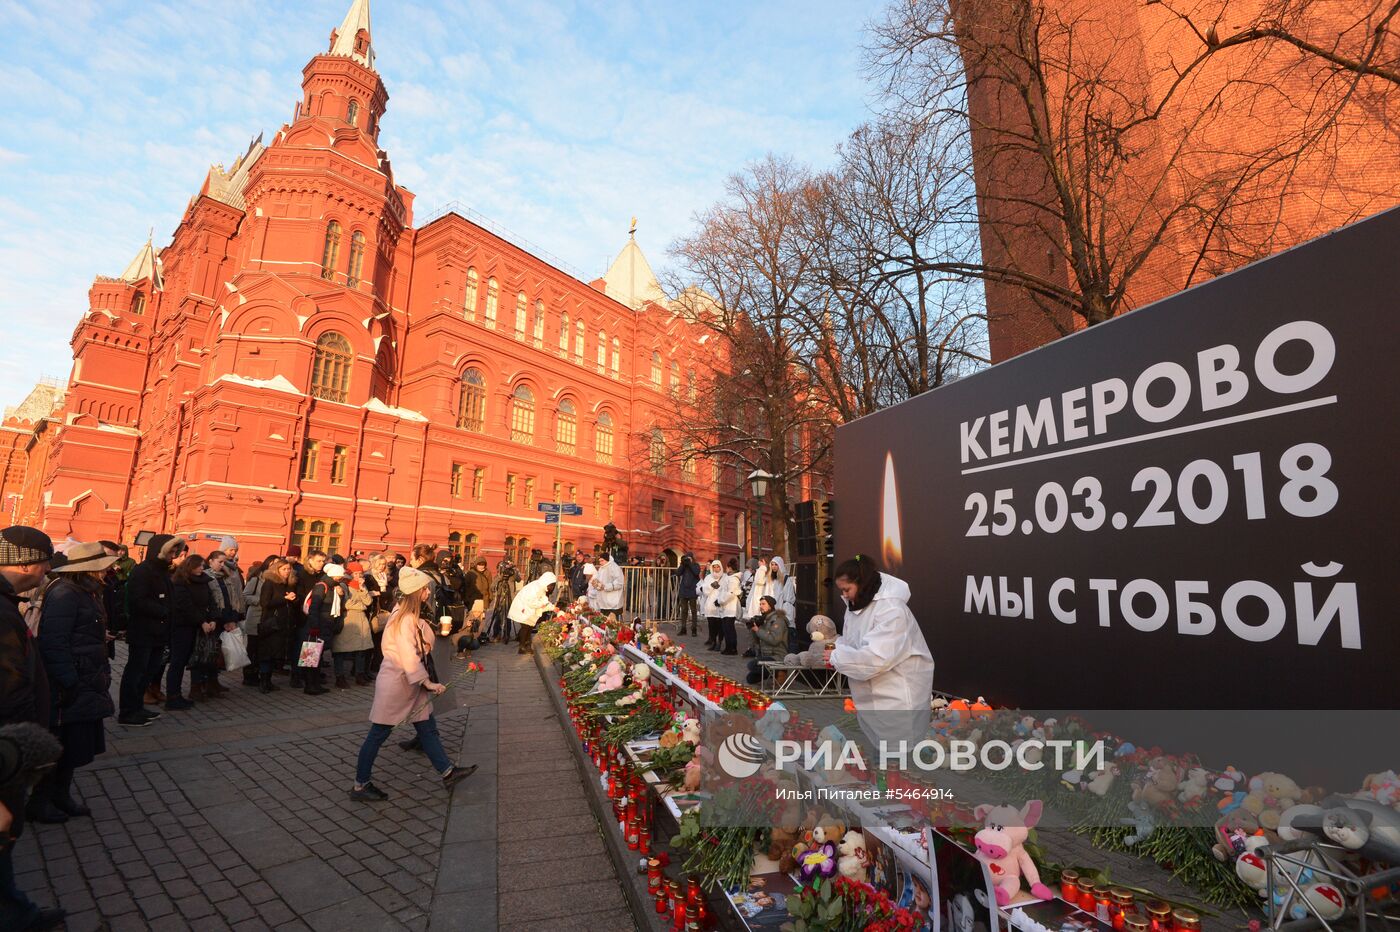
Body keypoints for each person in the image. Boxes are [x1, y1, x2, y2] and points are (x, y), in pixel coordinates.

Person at [350, 566, 476, 802]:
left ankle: (448, 772)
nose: (428, 593)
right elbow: (408, 655)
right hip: (398, 684)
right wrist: (427, 682)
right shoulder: (404, 619)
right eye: (425, 590)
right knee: (377, 734)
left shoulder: (409, 616)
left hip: (408, 684)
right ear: (416, 593)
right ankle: (360, 785)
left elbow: (421, 642)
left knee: (427, 728)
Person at [35, 542, 118, 822]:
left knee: (72, 745)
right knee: (59, 743)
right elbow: (53, 641)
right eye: (102, 567)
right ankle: (41, 801)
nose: (108, 571)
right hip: (71, 682)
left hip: (85, 678)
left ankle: (61, 795)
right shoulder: (65, 593)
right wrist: (69, 680)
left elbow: (76, 631)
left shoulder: (84, 591)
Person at [826, 555, 934, 748]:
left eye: (847, 590)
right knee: (883, 753)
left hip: (897, 696)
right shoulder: (855, 607)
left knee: (899, 755)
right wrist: (836, 647)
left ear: (862, 583)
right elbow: (852, 642)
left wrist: (837, 656)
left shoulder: (892, 611)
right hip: (872, 696)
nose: (844, 596)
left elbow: (876, 658)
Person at [118, 534, 183, 724]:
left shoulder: (163, 571)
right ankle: (127, 711)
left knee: (148, 672)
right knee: (136, 671)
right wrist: (164, 611)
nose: (174, 555)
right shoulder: (143, 571)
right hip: (143, 631)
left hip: (158, 632)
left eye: (175, 551)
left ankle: (137, 707)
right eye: (170, 550)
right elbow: (138, 600)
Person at [168, 554, 218, 708]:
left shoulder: (204, 581)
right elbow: (185, 605)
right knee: (178, 661)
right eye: (199, 566)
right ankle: (173, 696)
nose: (202, 568)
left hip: (201, 626)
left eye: (203, 566)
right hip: (183, 627)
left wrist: (213, 619)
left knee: (198, 659)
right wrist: (201, 621)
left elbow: (211, 601)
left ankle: (195, 689)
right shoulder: (180, 582)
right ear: (190, 566)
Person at [303, 562, 348, 696]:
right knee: (311, 657)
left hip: (324, 625)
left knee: (317, 656)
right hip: (317, 626)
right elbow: (314, 608)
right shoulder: (322, 587)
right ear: (335, 576)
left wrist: (340, 595)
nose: (342, 579)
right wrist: (314, 626)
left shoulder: (332, 587)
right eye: (340, 576)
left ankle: (314, 684)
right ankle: (310, 685)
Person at [255, 559, 298, 693]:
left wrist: (294, 599)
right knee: (267, 653)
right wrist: (284, 599)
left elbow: (293, 603)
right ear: (277, 570)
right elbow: (265, 603)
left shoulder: (290, 584)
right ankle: (263, 682)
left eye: (288, 569)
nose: (287, 572)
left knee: (275, 654)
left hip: (285, 624)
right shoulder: (270, 583)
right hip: (271, 624)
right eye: (284, 569)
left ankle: (269, 681)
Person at [334, 563, 375, 687]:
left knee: (361, 649)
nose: (358, 576)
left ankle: (359, 674)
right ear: (349, 573)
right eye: (355, 573)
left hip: (361, 621)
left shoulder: (362, 586)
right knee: (341, 650)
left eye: (360, 573)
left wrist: (362, 589)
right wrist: (361, 606)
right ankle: (339, 676)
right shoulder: (344, 585)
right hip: (347, 621)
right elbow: (346, 604)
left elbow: (368, 601)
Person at [507, 571, 557, 654]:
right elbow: (531, 602)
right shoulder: (535, 588)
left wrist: (552, 607)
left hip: (527, 608)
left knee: (529, 627)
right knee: (525, 627)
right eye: (551, 585)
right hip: (522, 607)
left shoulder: (541, 586)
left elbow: (544, 600)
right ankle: (522, 646)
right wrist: (543, 605)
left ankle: (527, 645)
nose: (551, 588)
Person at [745, 595, 789, 685]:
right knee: (750, 679)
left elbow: (774, 640)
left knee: (752, 665)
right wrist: (753, 629)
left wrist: (758, 630)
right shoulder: (764, 619)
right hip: (766, 655)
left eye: (764, 604)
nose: (761, 606)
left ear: (771, 606)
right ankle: (774, 673)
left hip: (777, 655)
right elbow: (755, 642)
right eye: (760, 604)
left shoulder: (778, 620)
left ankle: (780, 671)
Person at [742, 558, 773, 658]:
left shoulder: (762, 574)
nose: (750, 571)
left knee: (758, 631)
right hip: (754, 608)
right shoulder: (757, 575)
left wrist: (762, 567)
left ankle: (758, 650)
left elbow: (759, 581)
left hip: (759, 608)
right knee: (752, 631)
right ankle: (752, 649)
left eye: (752, 568)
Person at [769, 556, 798, 653]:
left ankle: (792, 655)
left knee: (789, 633)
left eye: (776, 564)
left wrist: (783, 612)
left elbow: (788, 597)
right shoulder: (776, 580)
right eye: (772, 564)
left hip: (786, 610)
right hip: (779, 610)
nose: (773, 567)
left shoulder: (786, 579)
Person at [673, 553, 702, 637]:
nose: (687, 560)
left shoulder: (696, 565)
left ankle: (694, 629)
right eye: (686, 558)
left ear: (692, 558)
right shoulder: (684, 566)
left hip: (692, 591)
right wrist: (683, 564)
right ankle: (683, 628)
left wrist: (690, 564)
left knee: (693, 611)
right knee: (684, 611)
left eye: (688, 558)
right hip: (684, 591)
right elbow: (678, 573)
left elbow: (696, 572)